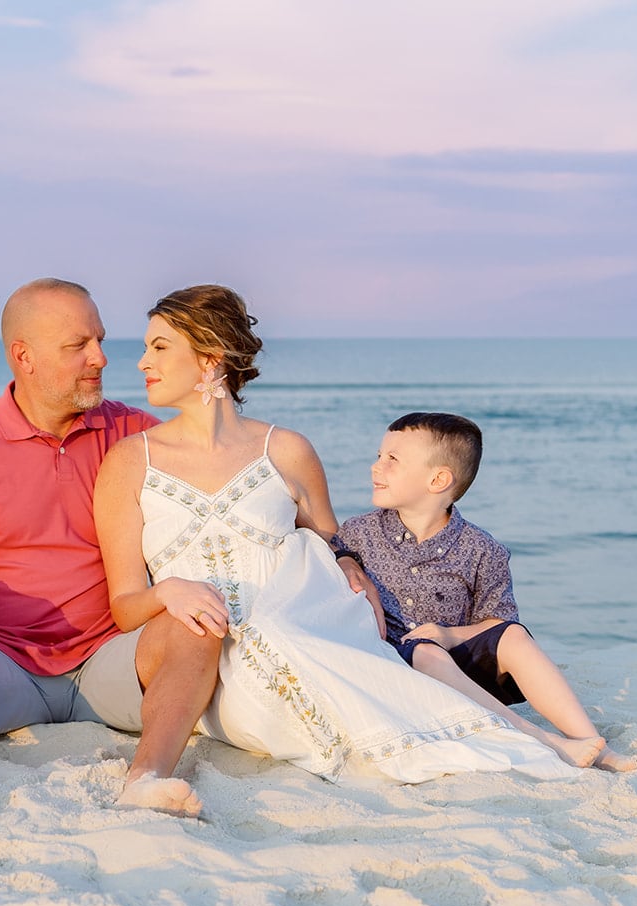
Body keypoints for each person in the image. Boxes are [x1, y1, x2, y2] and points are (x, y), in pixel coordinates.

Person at [91, 285, 579, 791]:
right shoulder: (130, 462)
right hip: (193, 660)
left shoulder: (286, 450)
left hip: (296, 626)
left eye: (160, 346)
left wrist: (348, 565)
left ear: (210, 357)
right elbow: (125, 607)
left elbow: (330, 542)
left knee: (358, 673)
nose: (142, 361)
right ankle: (146, 780)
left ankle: (536, 739)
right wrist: (169, 590)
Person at [0, 278, 222, 825]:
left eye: (101, 340)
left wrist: (342, 555)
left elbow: (240, 491)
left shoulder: (137, 432)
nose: (101, 358)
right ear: (24, 357)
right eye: (78, 345)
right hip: (0, 666)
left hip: (115, 659)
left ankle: (146, 778)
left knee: (196, 620)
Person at [333, 412, 637, 772]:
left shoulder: (483, 549)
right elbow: (324, 559)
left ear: (438, 479)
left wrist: (449, 635)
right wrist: (344, 557)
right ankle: (542, 739)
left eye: (392, 460)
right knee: (424, 653)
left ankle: (592, 743)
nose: (376, 467)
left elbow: (497, 624)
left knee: (513, 634)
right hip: (395, 670)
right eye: (379, 455)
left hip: (462, 675)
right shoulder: (357, 534)